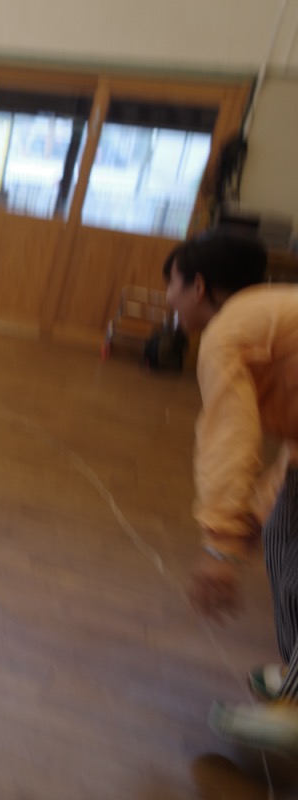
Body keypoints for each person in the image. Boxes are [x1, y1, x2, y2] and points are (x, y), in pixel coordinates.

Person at [170, 232, 298, 755]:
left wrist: (221, 545)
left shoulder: (227, 333)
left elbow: (229, 435)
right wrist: (256, 514)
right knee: (282, 532)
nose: (169, 298)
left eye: (172, 284)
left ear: (198, 287)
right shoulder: (265, 315)